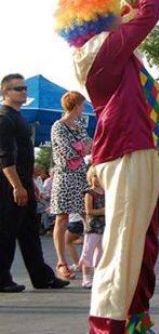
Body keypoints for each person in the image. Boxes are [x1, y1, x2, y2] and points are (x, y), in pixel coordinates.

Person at [54, 0, 159, 331]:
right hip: (126, 150)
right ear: (101, 18)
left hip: (135, 149)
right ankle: (107, 325)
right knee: (123, 242)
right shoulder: (102, 49)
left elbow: (132, 5)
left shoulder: (106, 45)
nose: (123, 11)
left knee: (141, 242)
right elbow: (148, 10)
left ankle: (135, 319)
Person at [0, 73, 69, 293]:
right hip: (9, 185)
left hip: (23, 182)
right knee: (7, 232)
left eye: (24, 88)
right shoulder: (4, 117)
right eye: (18, 89)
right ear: (5, 92)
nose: (23, 91)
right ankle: (2, 278)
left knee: (29, 231)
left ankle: (42, 277)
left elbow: (24, 158)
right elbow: (5, 157)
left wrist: (31, 186)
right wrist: (17, 186)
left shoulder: (18, 118)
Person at [50, 90, 91, 280]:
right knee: (62, 219)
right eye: (82, 105)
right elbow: (68, 152)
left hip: (81, 176)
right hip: (64, 177)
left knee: (89, 217)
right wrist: (83, 148)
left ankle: (89, 261)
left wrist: (82, 148)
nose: (83, 109)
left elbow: (88, 145)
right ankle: (61, 262)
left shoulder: (80, 125)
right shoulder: (58, 126)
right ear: (75, 105)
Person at [80, 166, 105, 289]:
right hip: (93, 227)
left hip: (104, 227)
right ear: (90, 177)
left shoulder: (107, 192)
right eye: (95, 176)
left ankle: (98, 277)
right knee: (88, 252)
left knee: (101, 252)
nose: (97, 179)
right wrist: (103, 211)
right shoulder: (89, 193)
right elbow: (88, 211)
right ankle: (86, 278)